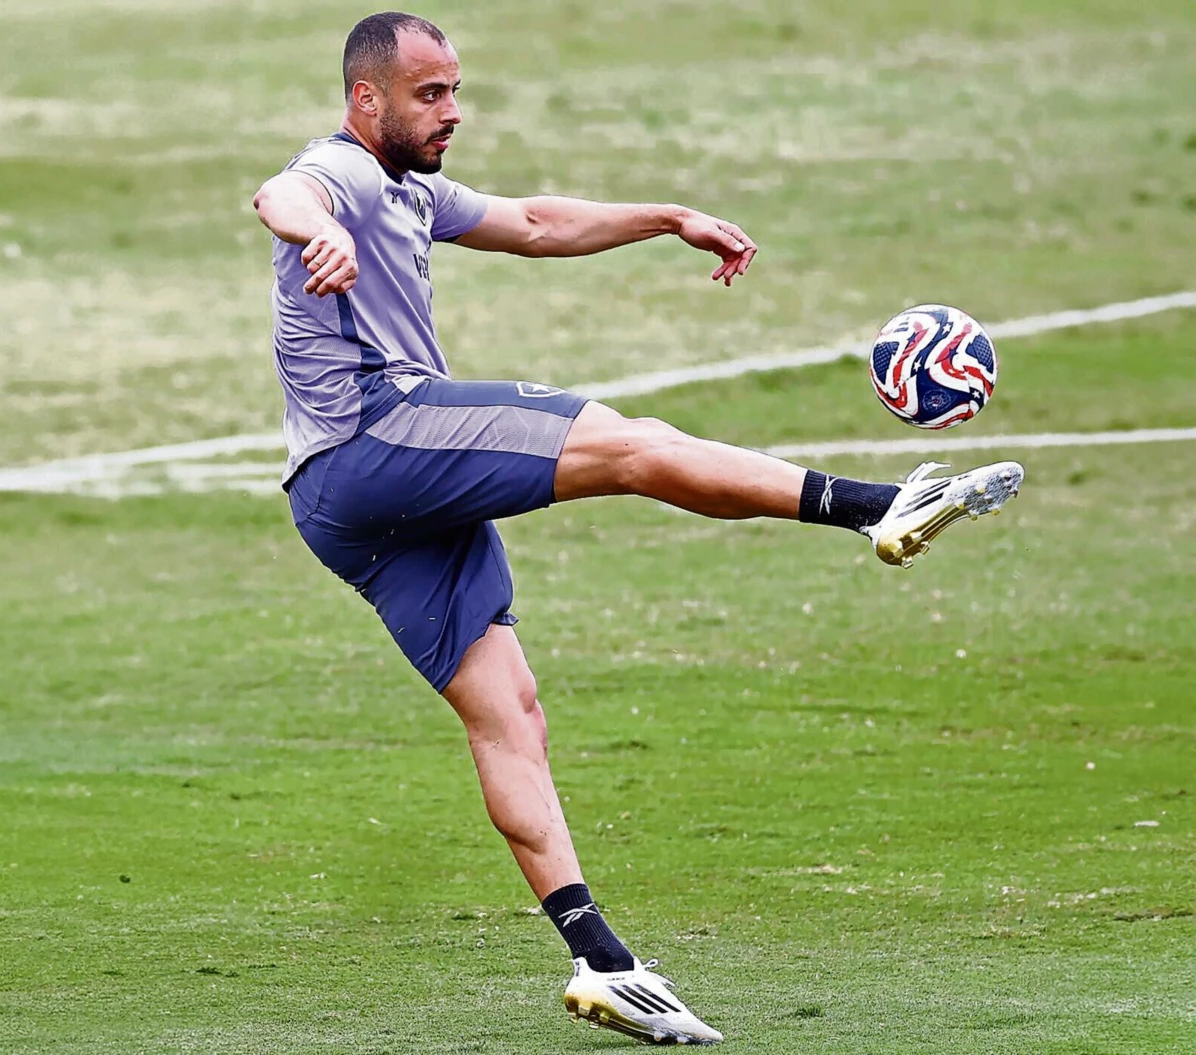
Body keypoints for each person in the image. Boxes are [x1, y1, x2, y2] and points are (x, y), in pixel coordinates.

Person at [253, 12, 1023, 1046]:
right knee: (632, 441)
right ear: (365, 99)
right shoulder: (336, 176)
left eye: (455, 90)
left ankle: (602, 961)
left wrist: (668, 216)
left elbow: (534, 222)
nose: (454, 110)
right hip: (376, 430)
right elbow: (280, 193)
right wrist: (317, 230)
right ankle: (882, 507)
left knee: (510, 712)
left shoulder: (410, 190)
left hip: (342, 504)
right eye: (431, 93)